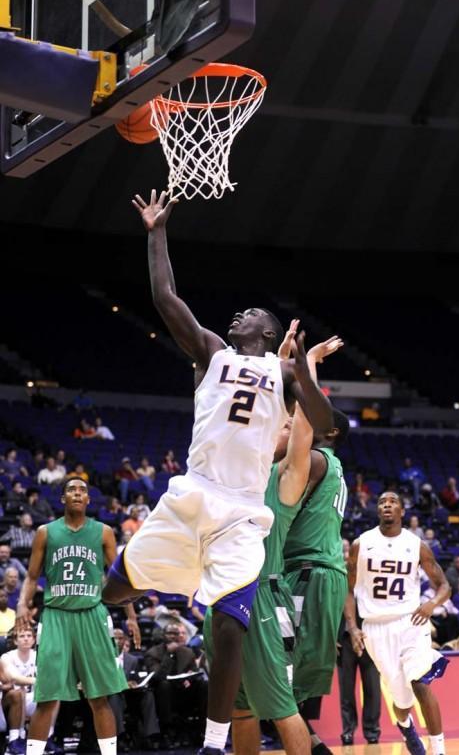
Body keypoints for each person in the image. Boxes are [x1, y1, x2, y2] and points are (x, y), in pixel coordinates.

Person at [103, 189, 333, 755]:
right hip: (191, 496)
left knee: (230, 620)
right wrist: (156, 232)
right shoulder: (212, 352)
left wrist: (302, 370)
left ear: (267, 330)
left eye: (250, 313)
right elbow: (164, 297)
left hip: (239, 511)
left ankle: (212, 743)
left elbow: (328, 424)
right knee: (112, 592)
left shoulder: (282, 373)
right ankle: (182, 575)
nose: (238, 315)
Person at [204, 332, 343, 755]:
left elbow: (302, 426)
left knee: (281, 706)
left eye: (284, 425)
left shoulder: (286, 478)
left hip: (261, 592)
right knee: (241, 709)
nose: (278, 426)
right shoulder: (241, 468)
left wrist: (306, 364)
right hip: (219, 593)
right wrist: (273, 362)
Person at [15, 477, 141, 755]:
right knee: (48, 696)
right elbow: (32, 576)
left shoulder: (104, 532)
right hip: (57, 616)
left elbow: (119, 578)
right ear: (62, 498)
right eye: (71, 489)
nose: (77, 493)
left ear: (88, 500)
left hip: (92, 615)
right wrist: (23, 604)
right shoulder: (45, 532)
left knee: (99, 697)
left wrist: (130, 615)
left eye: (82, 490)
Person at [345, 491, 450, 755]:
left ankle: (438, 749)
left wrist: (431, 604)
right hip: (375, 628)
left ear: (402, 511)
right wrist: (352, 626)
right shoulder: (362, 543)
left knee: (420, 681)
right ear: (378, 510)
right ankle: (405, 725)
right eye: (382, 502)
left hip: (410, 622)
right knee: (401, 701)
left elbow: (444, 586)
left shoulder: (416, 545)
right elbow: (346, 589)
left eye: (393, 502)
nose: (387, 505)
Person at [283, 352, 350, 754]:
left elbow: (289, 453)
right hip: (316, 572)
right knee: (284, 667)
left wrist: (303, 370)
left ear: (332, 432)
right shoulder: (334, 467)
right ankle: (312, 742)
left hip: (311, 572)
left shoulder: (322, 461)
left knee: (280, 668)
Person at [337, 544, 380, 746]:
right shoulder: (336, 578)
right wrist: (332, 637)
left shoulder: (370, 581)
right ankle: (347, 731)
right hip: (344, 640)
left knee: (372, 688)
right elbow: (329, 610)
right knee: (346, 690)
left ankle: (372, 731)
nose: (348, 556)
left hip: (369, 638)